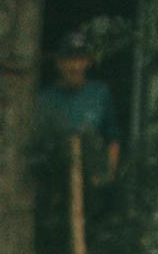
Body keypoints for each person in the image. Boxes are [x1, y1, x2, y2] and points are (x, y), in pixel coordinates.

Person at [39, 30, 121, 178]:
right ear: (59, 63)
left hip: (92, 181)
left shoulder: (100, 93)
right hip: (54, 182)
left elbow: (113, 138)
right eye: (70, 59)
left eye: (80, 59)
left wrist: (108, 174)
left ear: (88, 62)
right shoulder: (44, 98)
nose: (76, 66)